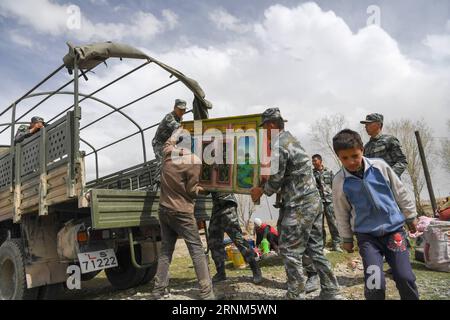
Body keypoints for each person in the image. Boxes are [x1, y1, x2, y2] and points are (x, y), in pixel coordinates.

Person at [250, 107, 341, 300]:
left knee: (290, 251)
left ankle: (295, 294)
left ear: (272, 125)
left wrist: (261, 190)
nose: (264, 131)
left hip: (299, 205)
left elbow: (275, 181)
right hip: (313, 203)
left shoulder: (279, 145)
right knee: (315, 249)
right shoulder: (292, 139)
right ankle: (331, 290)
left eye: (264, 127)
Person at [332, 129, 419, 300]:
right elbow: (341, 211)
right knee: (375, 282)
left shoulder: (380, 167)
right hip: (368, 239)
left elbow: (400, 191)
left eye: (355, 156)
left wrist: (410, 216)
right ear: (338, 157)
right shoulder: (340, 181)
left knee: (404, 277)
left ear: (362, 150)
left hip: (394, 233)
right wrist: (347, 238)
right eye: (345, 158)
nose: (351, 162)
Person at [151, 129, 215, 300]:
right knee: (196, 251)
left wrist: (176, 131)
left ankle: (158, 290)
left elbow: (167, 143)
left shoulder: (167, 154)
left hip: (164, 210)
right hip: (182, 212)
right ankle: (207, 293)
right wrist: (206, 189)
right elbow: (192, 191)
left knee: (166, 251)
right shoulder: (194, 160)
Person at [207, 193, 262, 284]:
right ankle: (220, 273)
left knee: (237, 239)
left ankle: (255, 268)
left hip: (227, 203)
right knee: (214, 241)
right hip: (216, 207)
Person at [151, 99, 187, 186]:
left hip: (169, 144)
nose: (182, 111)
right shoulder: (169, 117)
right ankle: (157, 184)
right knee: (162, 161)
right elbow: (177, 127)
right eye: (180, 109)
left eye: (184, 110)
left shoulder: (180, 119)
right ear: (174, 108)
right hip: (159, 143)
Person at [360, 113, 407, 178]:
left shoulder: (389, 140)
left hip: (390, 185)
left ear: (379, 125)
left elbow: (402, 161)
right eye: (365, 125)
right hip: (373, 185)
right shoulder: (366, 147)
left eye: (368, 124)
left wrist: (389, 176)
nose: (365, 127)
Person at [312, 154, 342, 252]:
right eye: (312, 161)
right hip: (317, 202)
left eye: (315, 161)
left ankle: (337, 244)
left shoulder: (329, 172)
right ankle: (321, 246)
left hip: (329, 201)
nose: (313, 163)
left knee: (333, 223)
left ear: (320, 161)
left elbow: (335, 185)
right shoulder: (311, 174)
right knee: (319, 225)